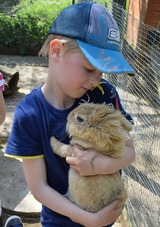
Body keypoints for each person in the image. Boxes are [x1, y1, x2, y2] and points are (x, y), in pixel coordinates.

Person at [5, 2, 135, 227]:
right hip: (60, 221)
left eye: (101, 71)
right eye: (89, 68)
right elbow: (39, 187)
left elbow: (130, 151)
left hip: (105, 214)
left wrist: (100, 165)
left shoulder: (104, 94)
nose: (96, 80)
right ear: (57, 51)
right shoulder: (29, 114)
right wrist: (90, 220)